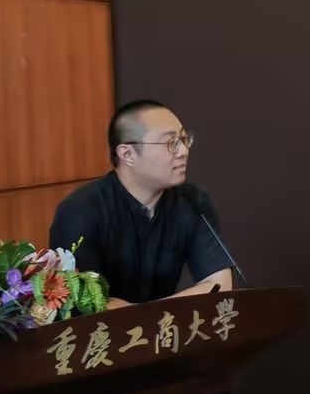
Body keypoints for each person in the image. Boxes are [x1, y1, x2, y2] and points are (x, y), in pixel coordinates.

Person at [49, 100, 234, 307]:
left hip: (167, 325)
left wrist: (147, 316)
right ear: (127, 154)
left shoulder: (192, 201)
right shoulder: (80, 210)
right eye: (171, 142)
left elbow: (219, 284)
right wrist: (148, 316)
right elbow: (83, 302)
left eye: (183, 139)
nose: (183, 151)